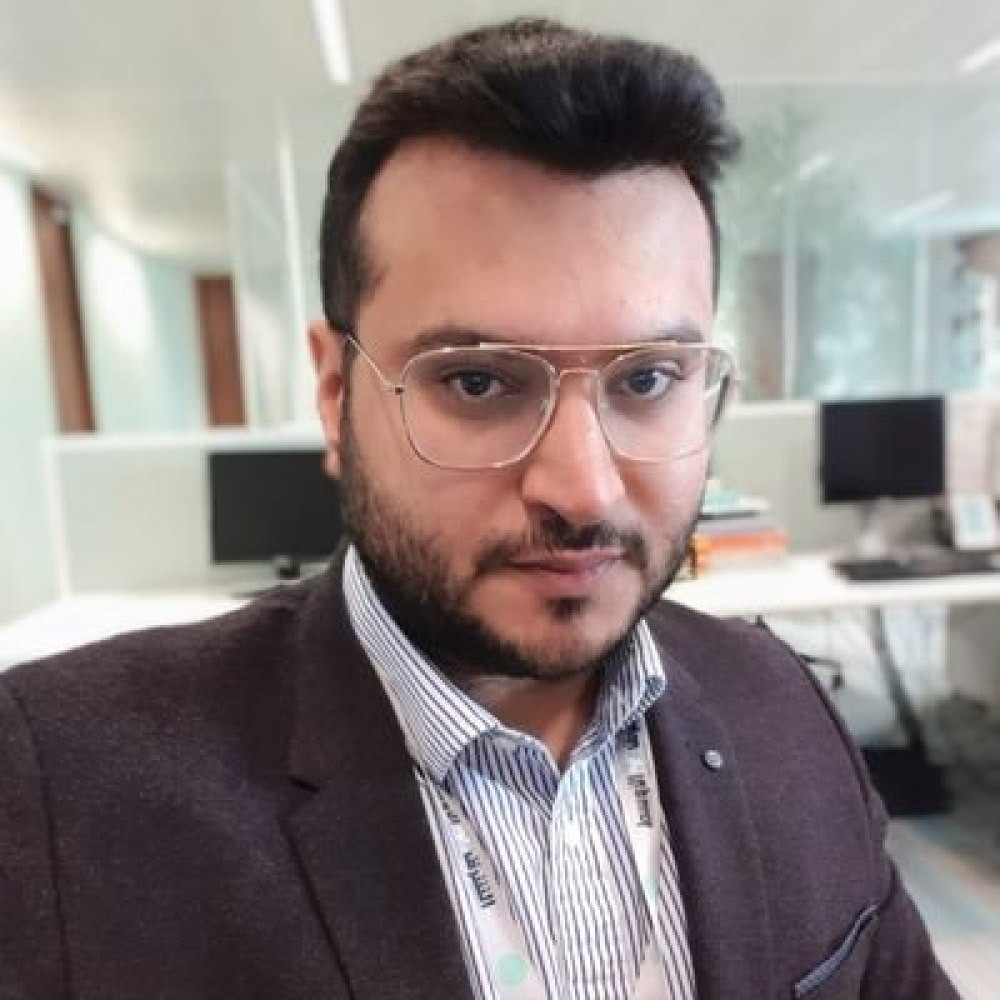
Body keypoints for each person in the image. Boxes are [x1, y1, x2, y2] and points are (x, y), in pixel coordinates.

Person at [0, 17, 958, 1000]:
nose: (582, 488)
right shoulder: (57, 787)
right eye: (477, 382)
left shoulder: (781, 704)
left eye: (646, 378)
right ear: (334, 392)